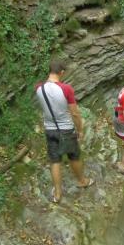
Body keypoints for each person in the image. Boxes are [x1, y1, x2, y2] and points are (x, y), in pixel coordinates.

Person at [35, 60, 94, 204]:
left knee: (55, 160)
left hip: (49, 129)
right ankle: (82, 181)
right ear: (61, 72)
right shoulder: (66, 88)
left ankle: (58, 193)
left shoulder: (38, 88)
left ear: (49, 71)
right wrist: (79, 129)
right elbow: (75, 113)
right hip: (66, 129)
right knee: (74, 156)